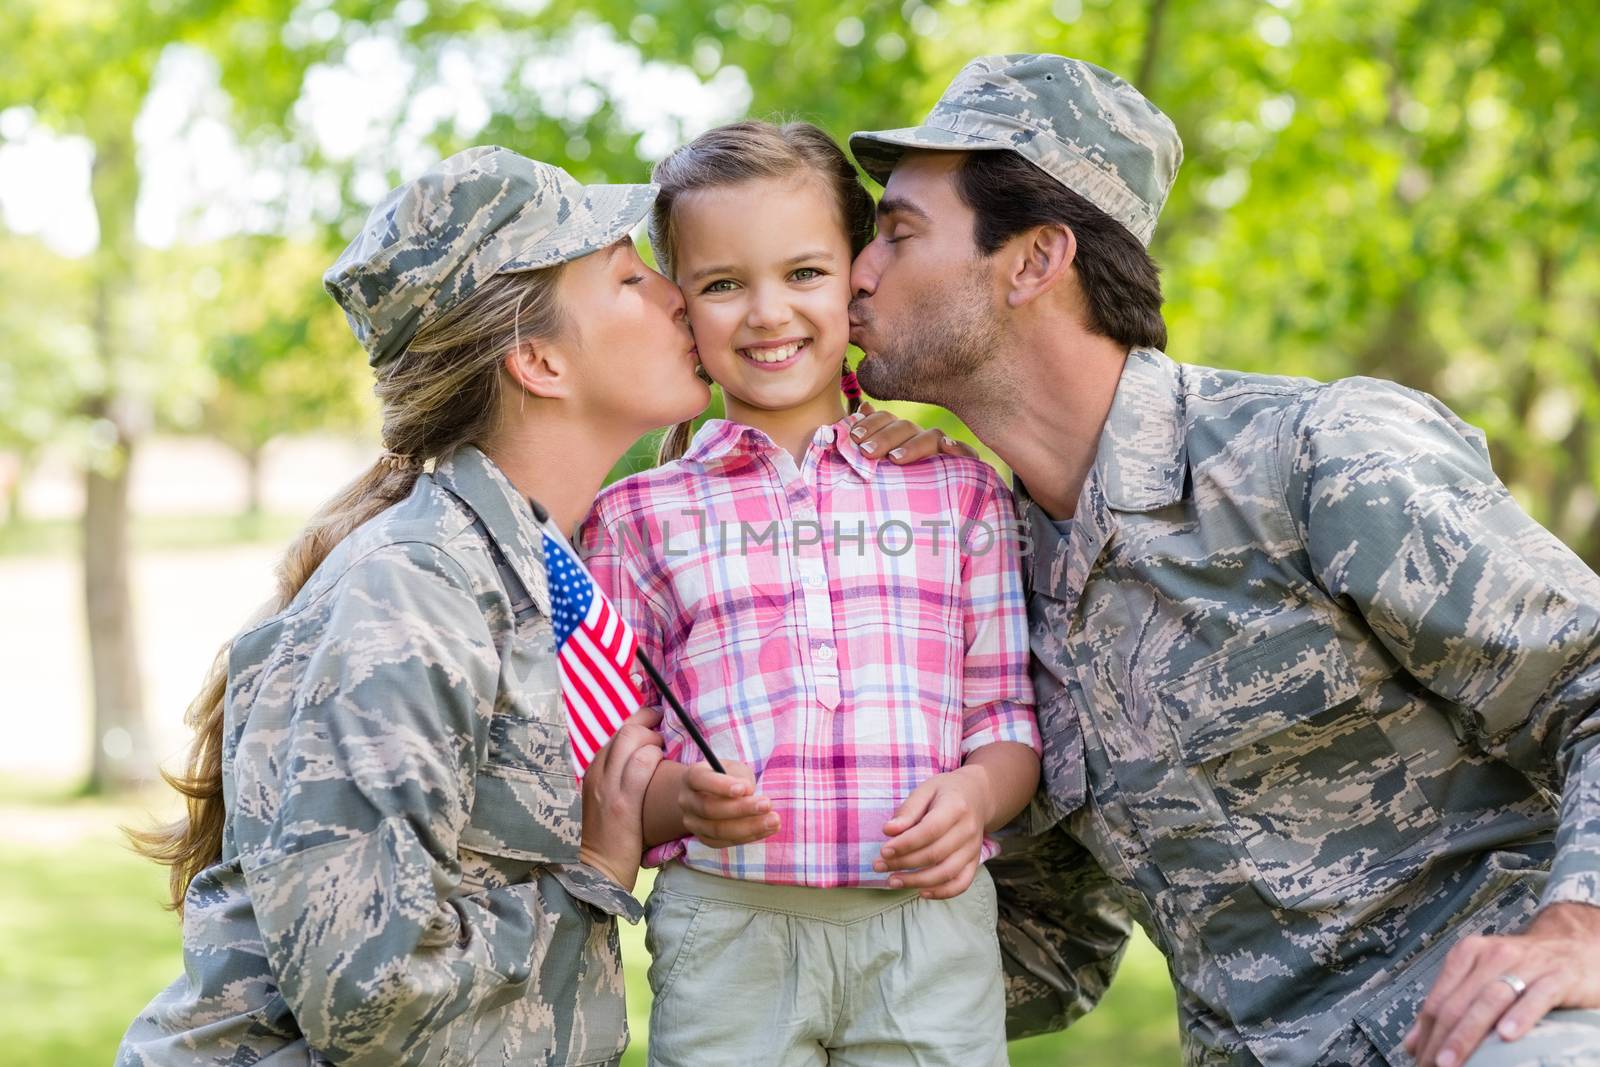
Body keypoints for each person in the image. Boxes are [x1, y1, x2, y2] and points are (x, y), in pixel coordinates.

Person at [117, 144, 949, 1067]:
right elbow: (373, 999)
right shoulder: (411, 593)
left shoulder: (548, 563)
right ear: (540, 360)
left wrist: (868, 462)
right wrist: (596, 870)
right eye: (630, 276)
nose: (678, 295)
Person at [846, 53, 1600, 1067]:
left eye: (894, 233)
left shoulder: (1317, 457)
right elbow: (1052, 942)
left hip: (1495, 1030)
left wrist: (1578, 928)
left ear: (1033, 260)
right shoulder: (984, 580)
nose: (854, 272)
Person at [576, 120, 1042, 1067]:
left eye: (803, 274)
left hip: (929, 926)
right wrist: (684, 799)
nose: (765, 312)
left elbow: (1007, 719)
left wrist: (975, 795)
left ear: (858, 277)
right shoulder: (635, 517)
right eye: (720, 284)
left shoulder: (959, 489)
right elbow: (617, 765)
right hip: (729, 930)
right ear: (683, 310)